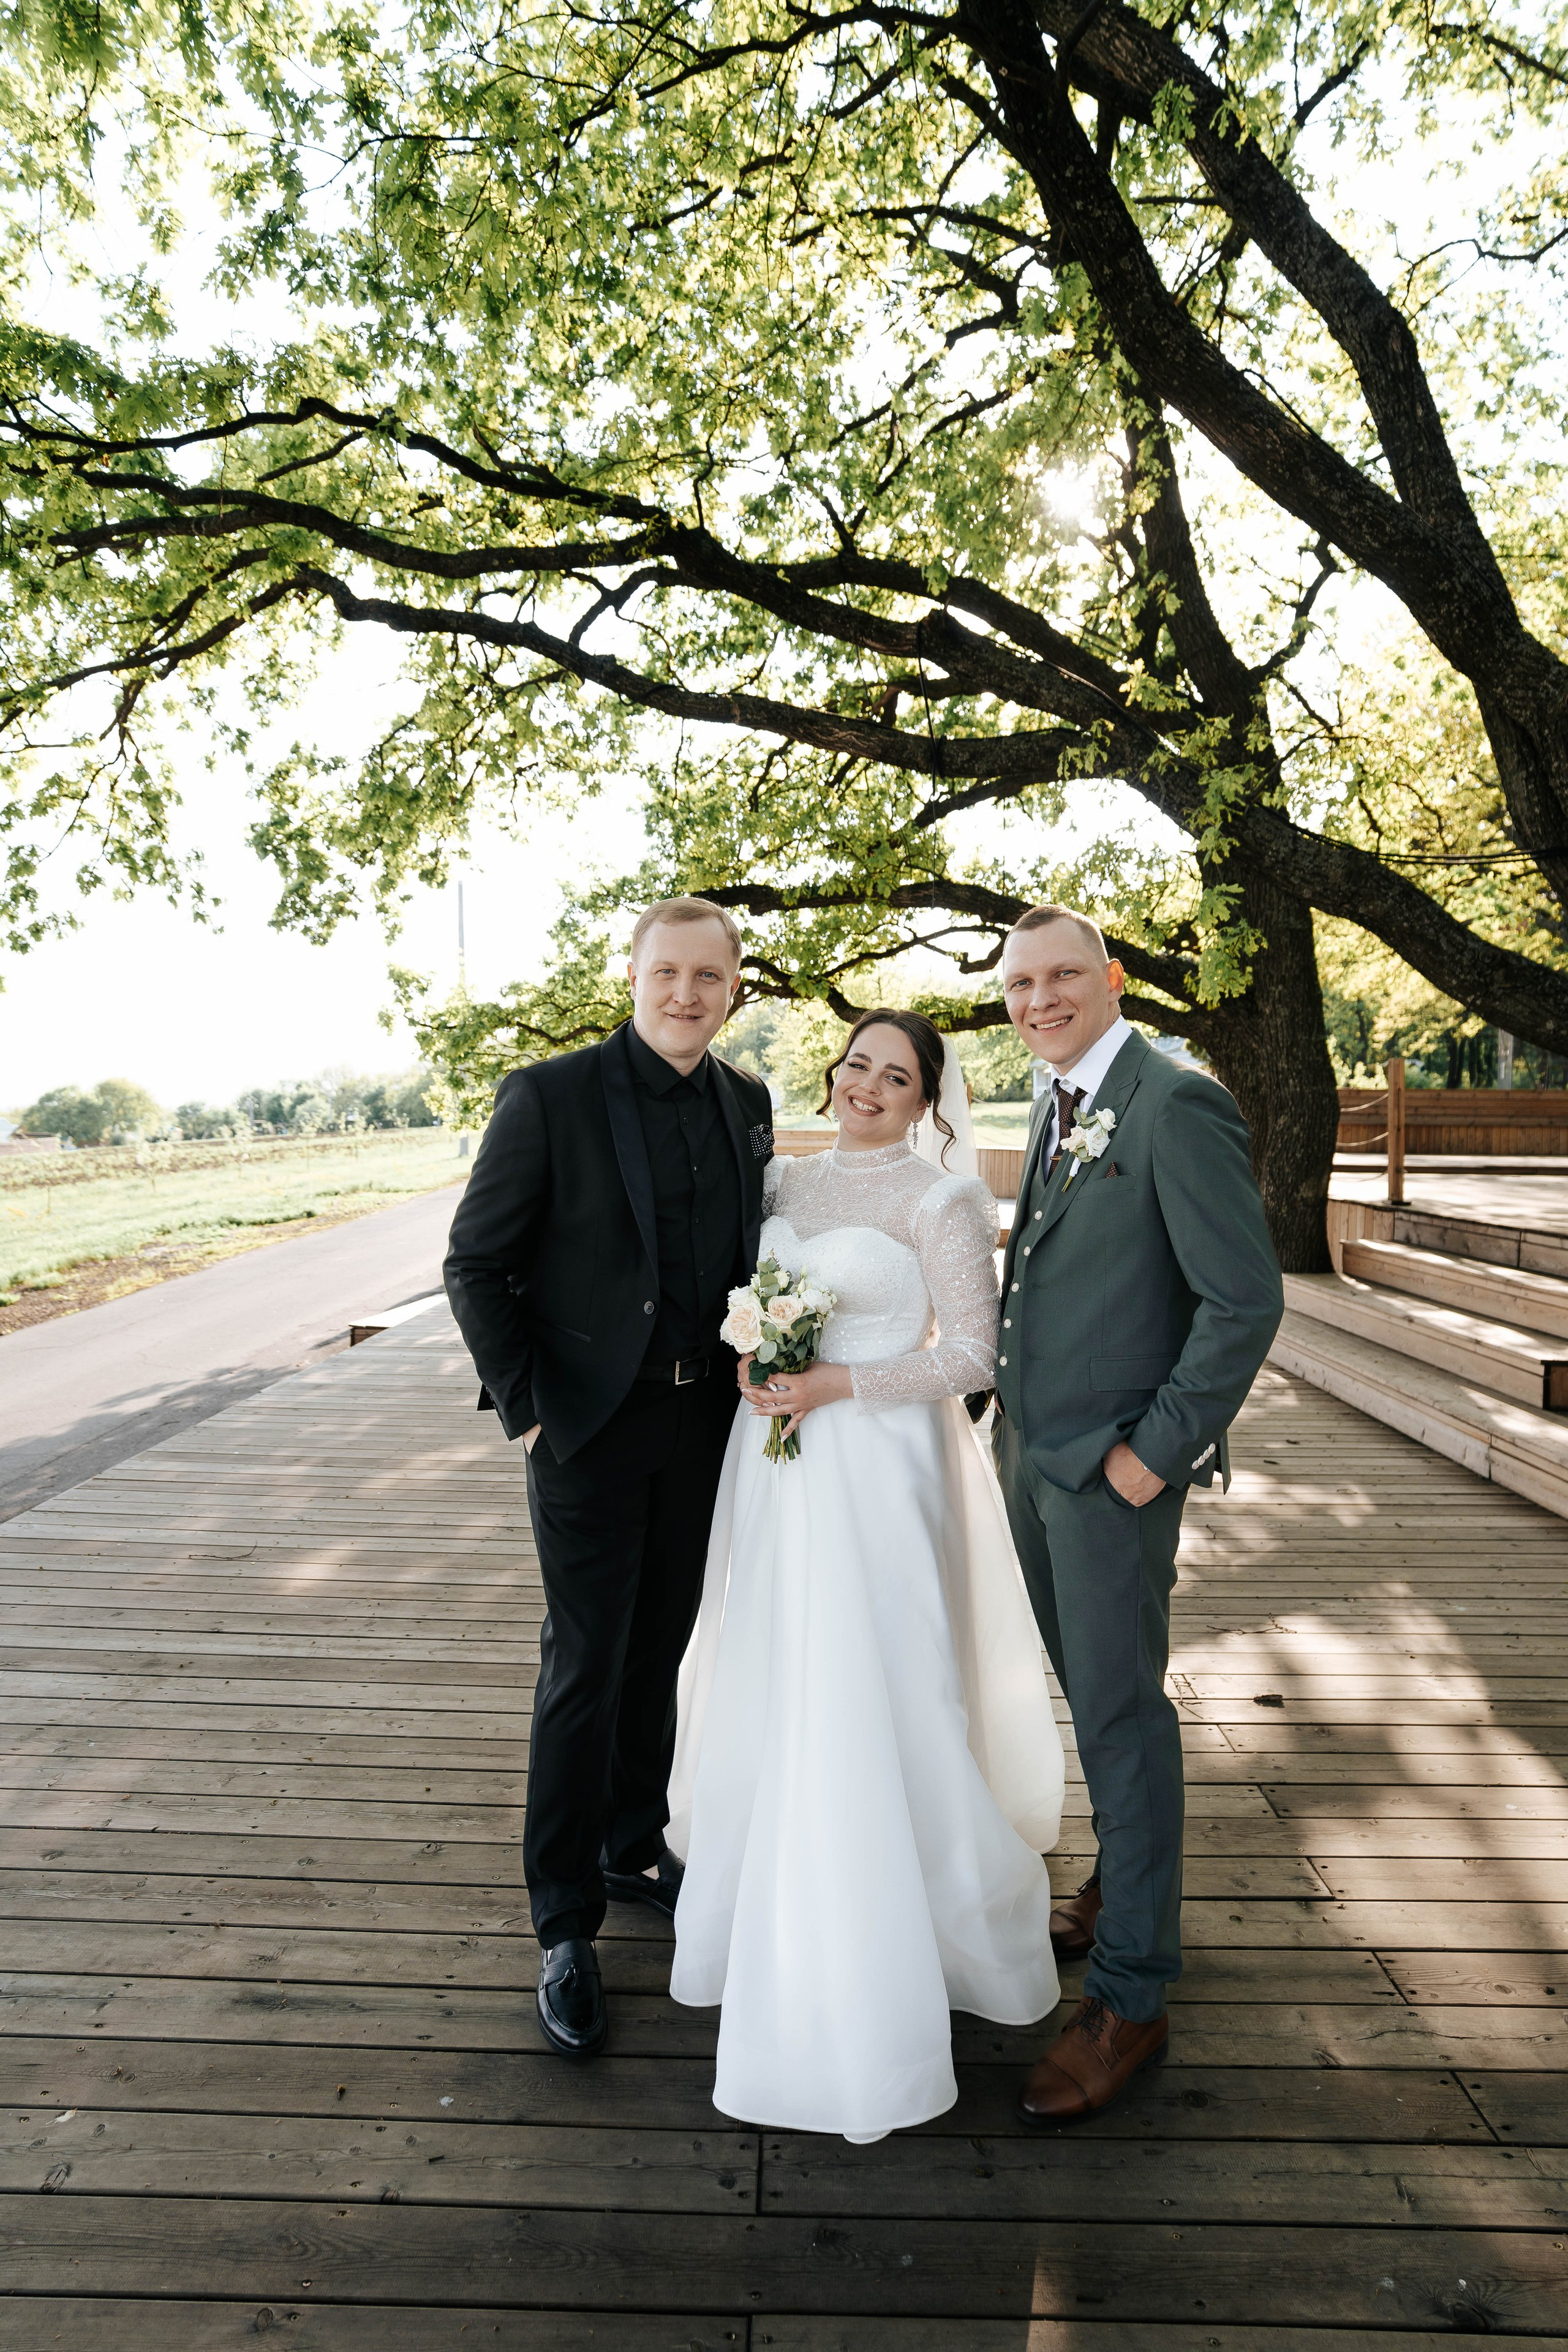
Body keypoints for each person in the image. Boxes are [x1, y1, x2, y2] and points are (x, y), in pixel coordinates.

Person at [667, 1010, 1065, 2144]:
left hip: (880, 1465)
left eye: (896, 1075)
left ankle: (909, 1908)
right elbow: (754, 1302)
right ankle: (770, 1886)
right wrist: (758, 1358)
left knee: (881, 1678)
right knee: (778, 1663)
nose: (868, 1086)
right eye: (855, 1065)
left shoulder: (943, 1201)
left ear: (929, 1097)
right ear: (832, 1074)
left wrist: (834, 1387)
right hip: (774, 1463)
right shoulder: (785, 1186)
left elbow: (972, 1355)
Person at [443, 896, 775, 2060]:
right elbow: (475, 1263)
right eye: (666, 973)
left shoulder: (747, 1103)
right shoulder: (550, 1096)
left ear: (734, 986)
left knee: (660, 1647)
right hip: (585, 1430)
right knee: (585, 1662)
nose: (687, 994)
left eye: (708, 976)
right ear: (632, 977)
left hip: (703, 1424)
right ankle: (562, 1922)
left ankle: (634, 1846)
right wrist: (531, 1410)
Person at [992, 905, 1283, 2124]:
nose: (1039, 999)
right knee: (1089, 1693)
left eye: (1063, 975)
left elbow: (1243, 1302)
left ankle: (1130, 1995)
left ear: (1112, 979)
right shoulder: (1057, 1099)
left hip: (1111, 1475)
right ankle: (1125, 1884)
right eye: (1019, 984)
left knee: (1121, 1717)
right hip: (1030, 1458)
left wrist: (1151, 1457)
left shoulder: (1175, 1103)